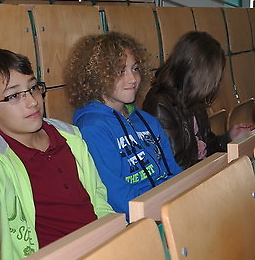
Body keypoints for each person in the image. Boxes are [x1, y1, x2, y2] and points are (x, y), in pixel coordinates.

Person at [0, 48, 114, 260]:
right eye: (14, 96)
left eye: (33, 88)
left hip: (100, 252)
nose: (33, 102)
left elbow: (98, 200)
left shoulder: (69, 137)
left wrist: (113, 236)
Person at [66, 32, 181, 216]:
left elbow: (174, 171)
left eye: (135, 69)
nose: (133, 79)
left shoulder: (147, 121)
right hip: (139, 220)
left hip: (168, 208)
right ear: (98, 77)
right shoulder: (93, 129)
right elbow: (117, 196)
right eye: (120, 72)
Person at [142, 31, 254, 169]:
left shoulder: (193, 98)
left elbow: (208, 145)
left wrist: (229, 138)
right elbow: (177, 168)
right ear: (197, 75)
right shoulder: (159, 105)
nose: (215, 84)